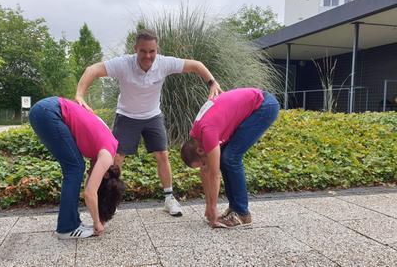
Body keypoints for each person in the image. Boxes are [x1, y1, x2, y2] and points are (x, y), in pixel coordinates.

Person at [75, 29, 222, 216]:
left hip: (153, 116)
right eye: (143, 51)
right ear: (135, 48)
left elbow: (196, 65)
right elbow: (92, 70)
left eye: (152, 51)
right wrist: (80, 94)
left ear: (156, 49)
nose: (148, 56)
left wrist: (212, 82)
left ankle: (169, 199)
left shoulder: (164, 63)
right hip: (127, 116)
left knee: (162, 154)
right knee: (116, 159)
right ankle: (107, 200)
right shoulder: (123, 64)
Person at [180, 88, 279, 228]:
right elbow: (205, 171)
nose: (203, 167)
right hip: (257, 104)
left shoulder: (207, 131)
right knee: (226, 158)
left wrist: (213, 209)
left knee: (230, 158)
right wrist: (208, 205)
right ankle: (235, 209)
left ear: (200, 150)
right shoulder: (197, 136)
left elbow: (214, 174)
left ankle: (242, 213)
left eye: (202, 163)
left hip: (264, 106)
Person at [29, 96, 126, 239]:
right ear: (105, 175)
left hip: (47, 107)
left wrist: (101, 216)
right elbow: (90, 193)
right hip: (49, 112)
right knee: (75, 168)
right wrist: (97, 222)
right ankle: (67, 228)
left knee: (77, 167)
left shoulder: (108, 143)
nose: (89, 174)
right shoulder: (106, 157)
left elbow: (89, 186)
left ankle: (72, 223)